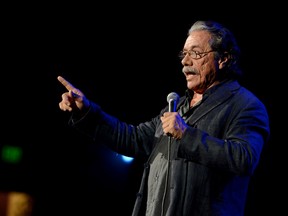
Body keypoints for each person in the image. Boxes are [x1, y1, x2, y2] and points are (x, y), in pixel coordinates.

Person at [57, 20, 270, 216]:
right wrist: (86, 111)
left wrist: (186, 135)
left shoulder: (245, 106)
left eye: (195, 53)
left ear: (223, 59)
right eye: (184, 54)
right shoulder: (180, 106)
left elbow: (244, 158)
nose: (185, 62)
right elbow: (132, 139)